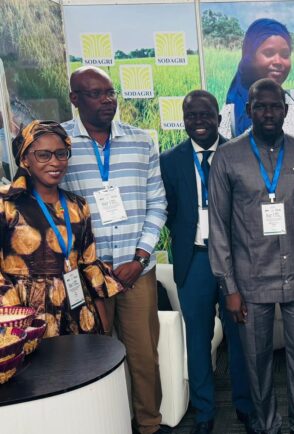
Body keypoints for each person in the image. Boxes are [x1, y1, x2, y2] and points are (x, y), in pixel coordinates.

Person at [209, 78, 294, 434]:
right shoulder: (228, 157)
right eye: (260, 106)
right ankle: (267, 427)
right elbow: (219, 227)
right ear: (249, 110)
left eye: (275, 106)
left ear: (286, 111)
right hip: (250, 281)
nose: (268, 113)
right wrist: (229, 287)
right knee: (257, 364)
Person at [61, 66, 167, 434]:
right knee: (94, 356)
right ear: (75, 99)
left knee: (144, 354)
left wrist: (140, 257)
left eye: (110, 93)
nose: (107, 100)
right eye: (95, 94)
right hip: (88, 275)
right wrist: (87, 265)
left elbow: (158, 203)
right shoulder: (60, 144)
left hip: (136, 271)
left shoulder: (141, 141)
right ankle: (107, 424)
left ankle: (149, 424)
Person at [160, 90, 254, 434]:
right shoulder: (169, 160)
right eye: (191, 115)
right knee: (197, 339)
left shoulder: (237, 154)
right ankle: (204, 411)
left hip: (235, 262)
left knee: (240, 338)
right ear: (184, 120)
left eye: (205, 114)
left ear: (218, 117)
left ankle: (245, 406)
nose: (198, 121)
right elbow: (168, 210)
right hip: (195, 261)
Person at [0, 120, 123, 337]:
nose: (55, 162)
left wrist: (103, 326)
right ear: (25, 159)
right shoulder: (6, 204)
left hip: (78, 313)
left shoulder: (78, 205)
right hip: (26, 318)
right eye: (43, 155)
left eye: (61, 154)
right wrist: (16, 321)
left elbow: (88, 264)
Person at [219, 17, 294, 163]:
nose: (278, 62)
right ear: (249, 57)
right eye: (269, 53)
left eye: (285, 55)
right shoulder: (232, 111)